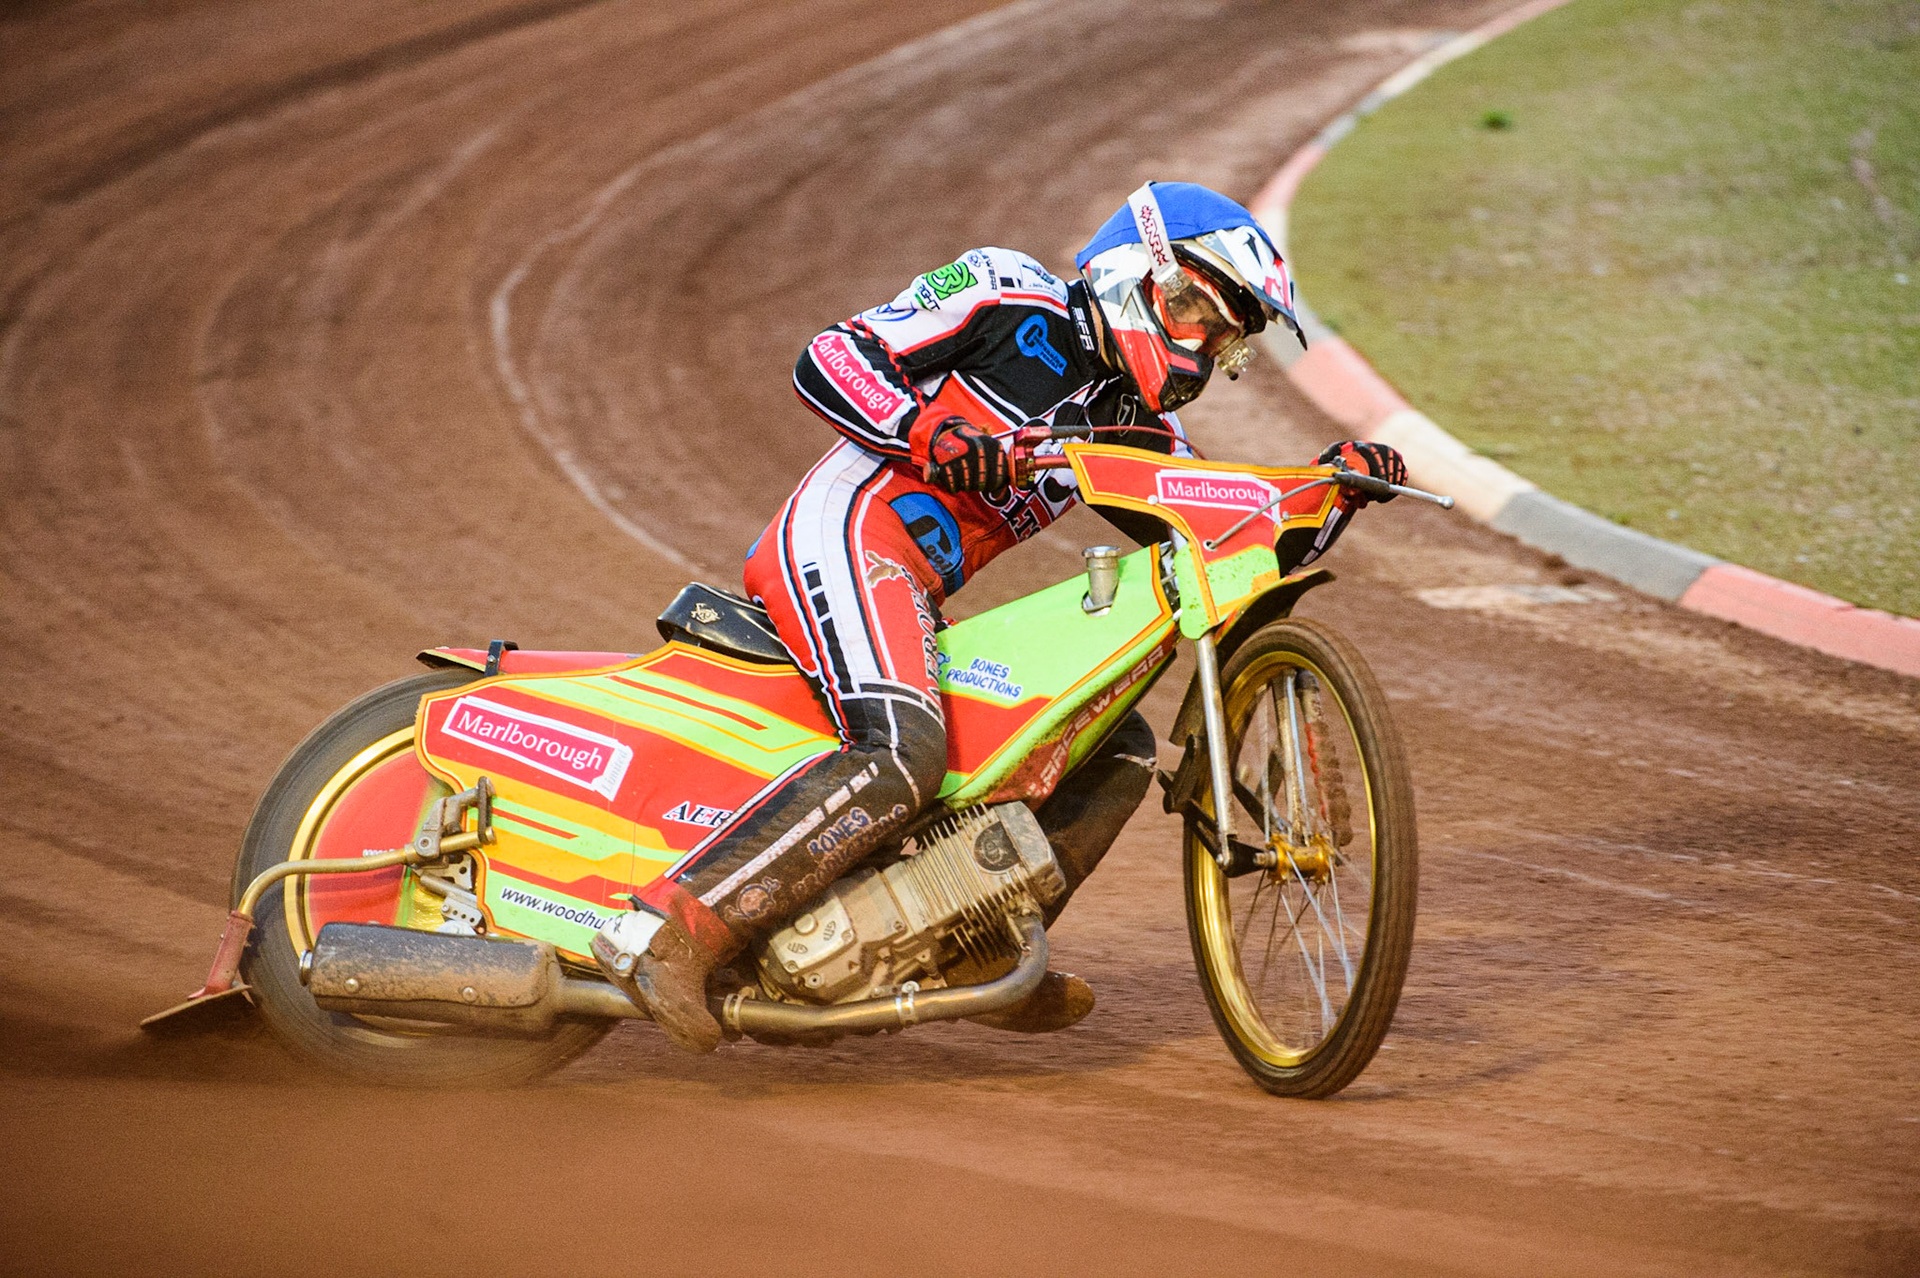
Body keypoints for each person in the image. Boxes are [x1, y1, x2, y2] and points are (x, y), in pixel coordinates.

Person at [592, 182, 1407, 1052]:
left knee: (1110, 740)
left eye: (1224, 336)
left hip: (913, 588)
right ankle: (665, 933)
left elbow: (1218, 539)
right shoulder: (1006, 288)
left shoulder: (1136, 426)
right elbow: (828, 356)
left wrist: (1329, 492)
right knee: (905, 751)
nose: (1201, 348)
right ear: (1138, 270)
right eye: (1193, 312)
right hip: (842, 534)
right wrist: (922, 433)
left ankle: (967, 949)